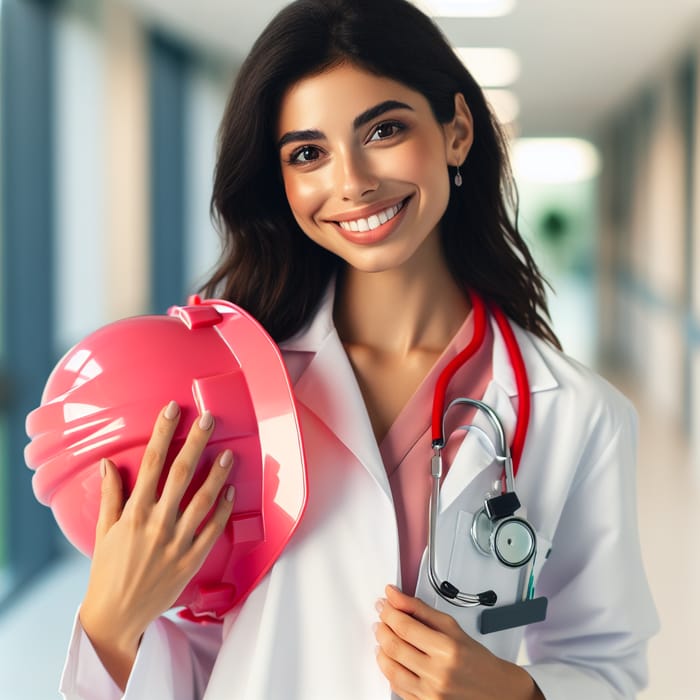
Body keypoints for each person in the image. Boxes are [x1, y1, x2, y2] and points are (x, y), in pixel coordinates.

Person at [59, 0, 658, 698]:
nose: (352, 182)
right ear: (281, 181)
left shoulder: (578, 415)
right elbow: (195, 645)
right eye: (308, 153)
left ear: (457, 131)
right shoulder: (231, 387)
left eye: (384, 129)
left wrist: (516, 693)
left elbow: (605, 664)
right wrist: (109, 623)